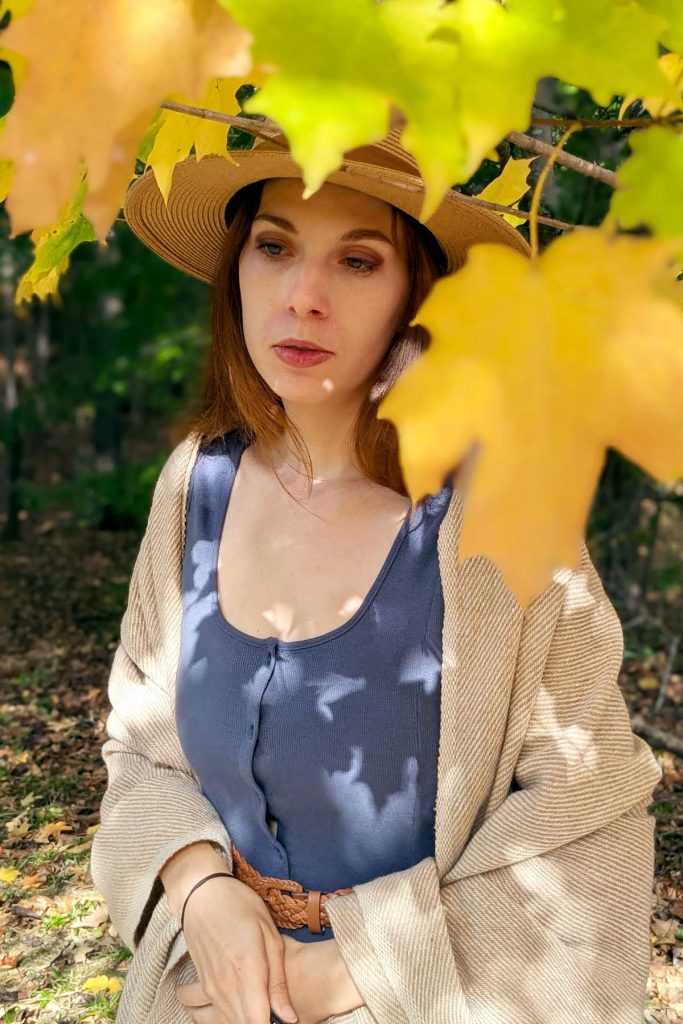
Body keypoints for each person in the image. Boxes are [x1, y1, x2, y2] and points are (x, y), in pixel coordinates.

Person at [90, 123, 662, 1024]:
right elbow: (138, 746)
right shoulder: (194, 485)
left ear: (416, 298)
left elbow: (586, 814)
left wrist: (359, 964)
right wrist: (199, 889)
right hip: (202, 999)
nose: (302, 297)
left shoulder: (504, 515)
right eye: (274, 247)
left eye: (358, 262)